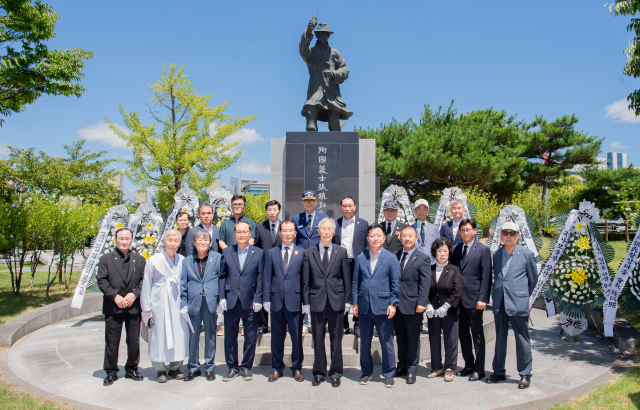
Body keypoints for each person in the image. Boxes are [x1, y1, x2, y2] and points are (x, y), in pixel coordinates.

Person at [486, 222, 538, 389]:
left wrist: (521, 295)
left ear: (518, 236)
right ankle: (498, 371)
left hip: (518, 302)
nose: (508, 236)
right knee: (500, 338)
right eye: (505, 233)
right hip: (500, 302)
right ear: (501, 234)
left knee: (522, 339)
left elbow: (532, 280)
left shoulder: (526, 254)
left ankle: (525, 374)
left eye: (512, 233)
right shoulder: (497, 254)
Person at [302, 217, 351, 387]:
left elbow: (346, 278)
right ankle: (319, 372)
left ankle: (336, 372)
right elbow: (305, 280)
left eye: (330, 229)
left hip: (336, 300)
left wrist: (347, 301)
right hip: (316, 300)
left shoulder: (341, 251)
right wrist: (306, 302)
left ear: (334, 232)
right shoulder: (309, 252)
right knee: (317, 337)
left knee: (336, 338)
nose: (327, 231)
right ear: (318, 231)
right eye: (324, 228)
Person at [352, 223, 400, 388]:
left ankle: (388, 373)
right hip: (364, 305)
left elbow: (395, 283)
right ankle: (366, 372)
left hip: (383, 305)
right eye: (372, 235)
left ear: (384, 238)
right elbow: (355, 282)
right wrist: (355, 302)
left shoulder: (391, 258)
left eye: (378, 235)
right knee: (364, 341)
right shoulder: (361, 257)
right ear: (367, 238)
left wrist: (393, 304)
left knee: (386, 341)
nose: (375, 238)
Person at [97, 227, 146, 386]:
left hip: (133, 307)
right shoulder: (106, 259)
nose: (124, 241)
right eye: (121, 239)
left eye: (127, 239)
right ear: (115, 240)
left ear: (132, 240)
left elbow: (143, 281)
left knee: (133, 340)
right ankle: (111, 371)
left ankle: (132, 368)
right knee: (112, 341)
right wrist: (115, 296)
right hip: (114, 306)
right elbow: (102, 281)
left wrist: (135, 294)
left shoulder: (139, 259)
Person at [140, 229, 190, 383]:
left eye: (176, 241)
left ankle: (176, 366)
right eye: (170, 240)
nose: (173, 244)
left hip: (177, 303)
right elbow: (147, 285)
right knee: (158, 334)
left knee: (178, 334)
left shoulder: (182, 260)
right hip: (159, 303)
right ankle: (160, 369)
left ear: (180, 243)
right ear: (164, 241)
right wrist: (147, 308)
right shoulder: (153, 260)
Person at [218, 221, 264, 382]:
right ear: (235, 234)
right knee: (230, 337)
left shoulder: (258, 253)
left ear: (250, 233)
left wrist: (259, 298)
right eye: (238, 232)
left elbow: (260, 277)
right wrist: (221, 297)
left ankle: (246, 367)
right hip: (231, 301)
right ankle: (232, 367)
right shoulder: (227, 252)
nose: (242, 234)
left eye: (245, 232)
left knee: (250, 337)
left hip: (250, 301)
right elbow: (222, 276)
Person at [263, 220, 305, 382]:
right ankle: (277, 367)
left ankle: (296, 368)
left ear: (295, 233)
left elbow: (304, 279)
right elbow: (267, 277)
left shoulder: (302, 252)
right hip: (276, 301)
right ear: (279, 234)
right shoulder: (272, 253)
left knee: (296, 337)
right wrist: (266, 298)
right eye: (284, 231)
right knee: (277, 337)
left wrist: (304, 301)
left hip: (295, 301)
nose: (287, 234)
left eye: (290, 231)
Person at [451, 219, 492, 382]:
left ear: (475, 230)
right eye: (462, 230)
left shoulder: (483, 250)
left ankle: (480, 369)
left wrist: (483, 299)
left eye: (468, 230)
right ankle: (468, 364)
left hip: (475, 300)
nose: (465, 233)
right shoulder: (457, 249)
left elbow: (486, 276)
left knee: (477, 335)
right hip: (459, 300)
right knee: (463, 334)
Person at [180, 230, 222, 382]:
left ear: (210, 243)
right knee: (193, 336)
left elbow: (221, 279)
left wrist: (220, 301)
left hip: (210, 302)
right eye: (200, 240)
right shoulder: (187, 261)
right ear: (194, 243)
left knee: (211, 334)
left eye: (206, 240)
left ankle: (209, 366)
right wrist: (183, 304)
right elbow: (183, 284)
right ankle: (193, 367)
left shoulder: (217, 258)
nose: (203, 243)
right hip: (193, 303)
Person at [299, 17, 353, 132]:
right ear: (316, 35)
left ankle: (338, 147)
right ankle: (310, 146)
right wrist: (309, 31)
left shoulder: (335, 53)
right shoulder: (311, 53)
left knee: (334, 120)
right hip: (315, 91)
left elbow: (345, 69)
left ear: (329, 35)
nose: (322, 35)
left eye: (325, 33)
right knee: (310, 116)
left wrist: (334, 74)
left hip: (331, 93)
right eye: (320, 33)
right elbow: (302, 50)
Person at [394, 226, 431, 384]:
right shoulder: (395, 255)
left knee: (413, 337)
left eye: (410, 236)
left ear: (416, 239)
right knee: (401, 337)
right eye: (404, 236)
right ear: (400, 238)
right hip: (397, 305)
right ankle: (401, 365)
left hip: (413, 304)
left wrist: (422, 302)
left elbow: (425, 282)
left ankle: (412, 369)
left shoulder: (423, 258)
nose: (407, 238)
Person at [425, 237, 462, 382]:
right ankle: (436, 366)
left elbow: (457, 291)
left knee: (450, 339)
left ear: (449, 252)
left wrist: (447, 306)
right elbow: (424, 290)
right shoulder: (430, 269)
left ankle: (449, 367)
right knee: (434, 338)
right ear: (435, 252)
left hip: (450, 312)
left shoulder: (454, 270)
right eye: (439, 251)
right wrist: (428, 304)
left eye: (445, 251)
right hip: (433, 311)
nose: (442, 254)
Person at [293, 189, 329, 335]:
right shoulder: (297, 218)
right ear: (303, 202)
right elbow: (295, 240)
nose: (309, 203)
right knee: (303, 288)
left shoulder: (323, 217)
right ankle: (302, 321)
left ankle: (318, 321)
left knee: (317, 290)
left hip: (317, 259)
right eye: (306, 200)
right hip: (301, 259)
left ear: (316, 202)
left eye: (311, 200)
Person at [332, 196, 368, 335]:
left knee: (358, 291)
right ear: (341, 208)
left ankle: (358, 323)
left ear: (355, 207)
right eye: (345, 206)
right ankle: (343, 323)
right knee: (342, 293)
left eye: (350, 205)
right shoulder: (336, 224)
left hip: (357, 262)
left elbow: (366, 244)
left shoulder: (363, 224)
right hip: (340, 263)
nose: (348, 208)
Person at [254, 199, 283, 334]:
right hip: (264, 266)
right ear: (266, 212)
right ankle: (263, 325)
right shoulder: (260, 227)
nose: (272, 212)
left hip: (281, 267)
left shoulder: (285, 227)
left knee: (279, 293)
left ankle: (282, 323)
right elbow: (257, 247)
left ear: (279, 210)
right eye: (269, 210)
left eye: (274, 209)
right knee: (263, 292)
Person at [412, 199, 440, 264]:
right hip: (415, 263)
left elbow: (438, 247)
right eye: (419, 209)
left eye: (424, 209)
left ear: (428, 212)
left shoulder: (434, 229)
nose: (422, 212)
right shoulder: (411, 229)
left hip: (431, 263)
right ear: (415, 212)